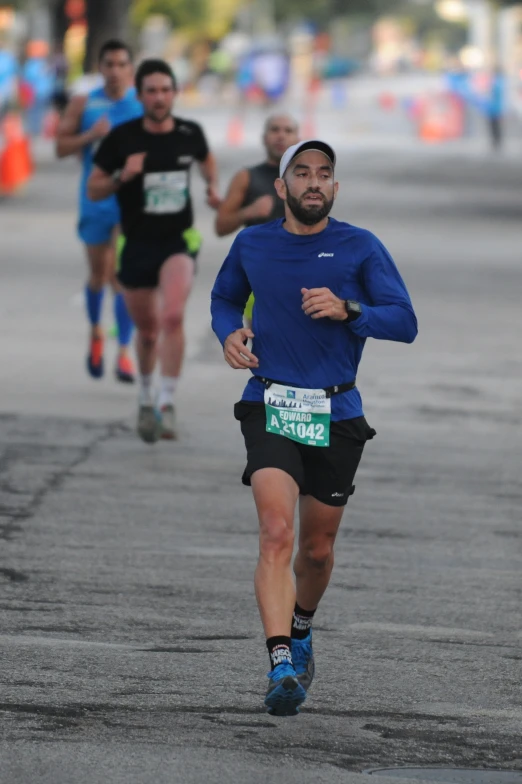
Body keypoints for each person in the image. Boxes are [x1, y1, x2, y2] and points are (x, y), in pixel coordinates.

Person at [211, 140, 417, 716]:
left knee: (318, 551)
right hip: (270, 402)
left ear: (334, 188)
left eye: (324, 174)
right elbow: (225, 297)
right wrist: (228, 332)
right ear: (280, 187)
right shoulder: (253, 243)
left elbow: (405, 321)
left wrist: (351, 310)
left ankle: (301, 627)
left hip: (337, 412)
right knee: (276, 532)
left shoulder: (360, 247)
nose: (313, 183)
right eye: (301, 173)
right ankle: (280, 662)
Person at [87, 58, 220, 443]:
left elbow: (206, 159)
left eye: (166, 90)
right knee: (146, 332)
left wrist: (212, 186)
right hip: (137, 243)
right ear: (140, 95)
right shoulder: (122, 139)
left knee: (173, 317)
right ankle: (146, 396)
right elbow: (94, 188)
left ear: (175, 93)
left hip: (177, 241)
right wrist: (121, 176)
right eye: (152, 91)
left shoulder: (189, 132)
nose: (160, 97)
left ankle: (166, 402)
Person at [56, 40, 143, 383]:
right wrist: (90, 135)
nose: (115, 70)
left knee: (122, 276)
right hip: (94, 198)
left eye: (122, 64)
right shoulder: (84, 102)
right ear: (100, 66)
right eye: (109, 64)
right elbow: (60, 147)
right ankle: (95, 331)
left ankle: (123, 351)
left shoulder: (142, 102)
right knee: (99, 274)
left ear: (130, 68)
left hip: (131, 201)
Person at [215, 113, 299, 323]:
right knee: (264, 344)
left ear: (297, 139)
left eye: (288, 131)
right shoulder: (246, 177)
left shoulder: (306, 178)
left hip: (300, 270)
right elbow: (221, 226)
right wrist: (249, 211)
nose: (281, 136)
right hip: (258, 274)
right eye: (275, 130)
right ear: (264, 138)